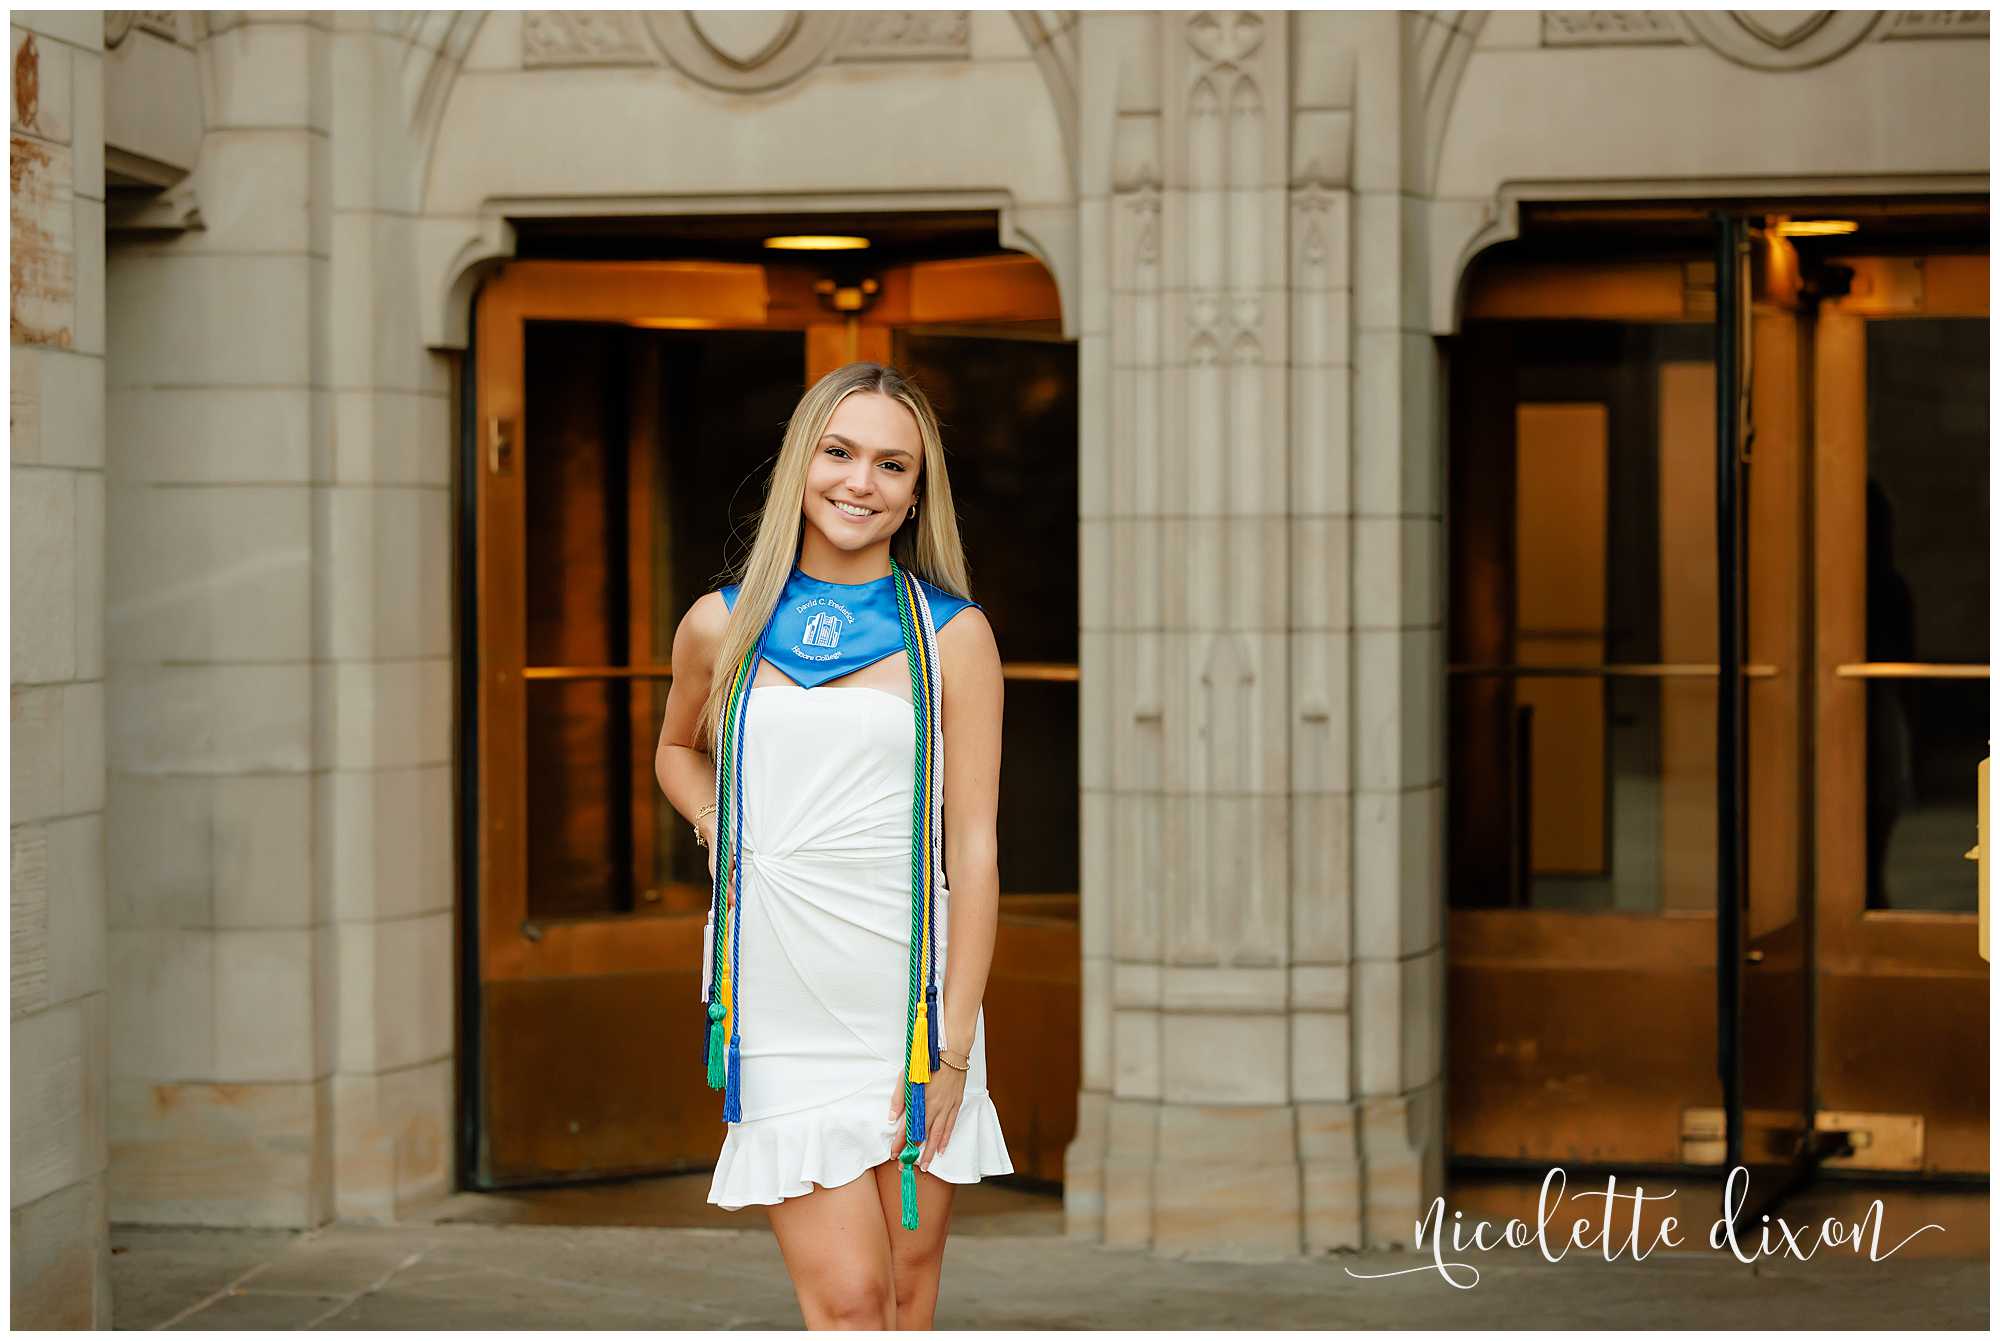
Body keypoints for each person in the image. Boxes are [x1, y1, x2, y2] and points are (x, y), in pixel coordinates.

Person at [654, 361, 1013, 1329]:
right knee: (849, 1300)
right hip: (779, 996)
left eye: (891, 466)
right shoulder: (720, 625)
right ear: (800, 466)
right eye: (840, 452)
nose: (860, 481)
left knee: (905, 1289)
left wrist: (951, 1041)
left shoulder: (953, 637)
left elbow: (972, 847)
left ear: (912, 495)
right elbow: (675, 751)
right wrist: (717, 824)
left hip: (907, 999)